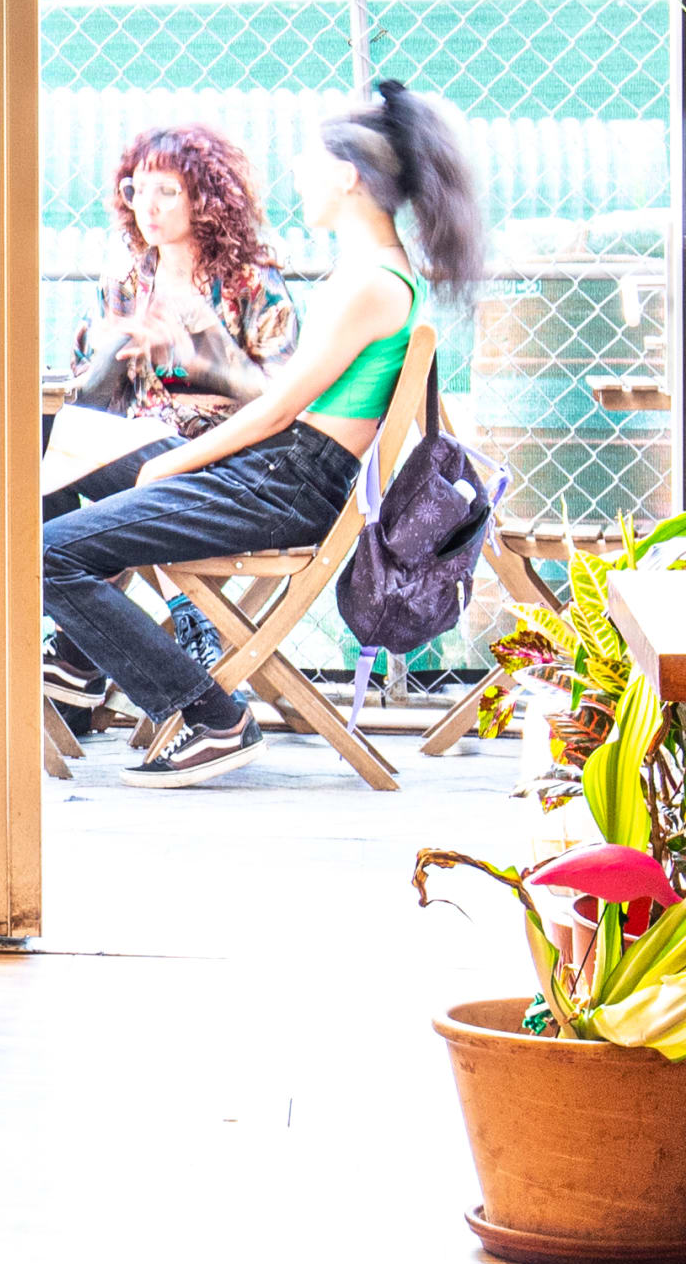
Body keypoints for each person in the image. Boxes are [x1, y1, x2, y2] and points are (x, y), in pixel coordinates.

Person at [39, 80, 487, 787]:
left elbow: (279, 410)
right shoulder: (371, 272)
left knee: (48, 555)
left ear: (346, 177)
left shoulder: (372, 282)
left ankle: (210, 717)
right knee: (51, 464)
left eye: (309, 163)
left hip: (285, 481)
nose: (297, 177)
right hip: (274, 470)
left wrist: (172, 461)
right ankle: (75, 657)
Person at [53, 122, 299, 518]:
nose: (146, 207)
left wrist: (206, 357)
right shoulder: (126, 282)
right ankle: (61, 561)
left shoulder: (251, 282)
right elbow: (82, 398)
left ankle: (69, 563)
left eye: (167, 192)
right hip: (137, 448)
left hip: (221, 463)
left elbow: (283, 403)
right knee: (34, 429)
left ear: (206, 201)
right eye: (136, 190)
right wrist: (111, 345)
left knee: (45, 441)